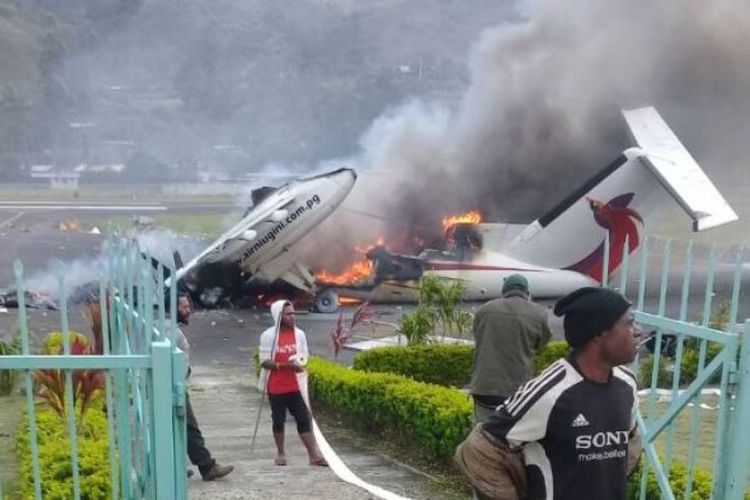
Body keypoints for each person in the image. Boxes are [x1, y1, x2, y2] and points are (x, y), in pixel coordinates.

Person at [482, 287, 641, 500]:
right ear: (599, 332)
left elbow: (631, 443)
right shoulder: (550, 391)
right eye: (628, 323)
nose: (637, 331)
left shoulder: (626, 384)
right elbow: (479, 448)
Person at [469, 274, 552, 423]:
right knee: (512, 437)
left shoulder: (486, 309)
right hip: (516, 391)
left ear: (504, 291)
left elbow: (478, 336)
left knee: (482, 436)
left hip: (483, 388)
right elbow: (540, 346)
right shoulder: (538, 313)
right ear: (527, 293)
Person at [258, 300, 327, 466]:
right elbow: (264, 361)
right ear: (279, 316)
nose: (292, 317)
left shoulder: (300, 335)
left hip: (296, 385)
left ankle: (313, 455)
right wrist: (285, 366)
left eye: (293, 313)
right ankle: (280, 453)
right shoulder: (268, 336)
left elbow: (304, 356)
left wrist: (300, 364)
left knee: (303, 418)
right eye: (288, 314)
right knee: (278, 420)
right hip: (276, 386)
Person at [176, 294, 235, 481]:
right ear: (173, 308)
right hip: (174, 387)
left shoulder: (169, 328)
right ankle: (207, 467)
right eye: (184, 307)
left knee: (177, 429)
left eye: (188, 306)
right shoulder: (172, 332)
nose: (188, 310)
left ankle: (175, 466)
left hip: (174, 385)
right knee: (190, 428)